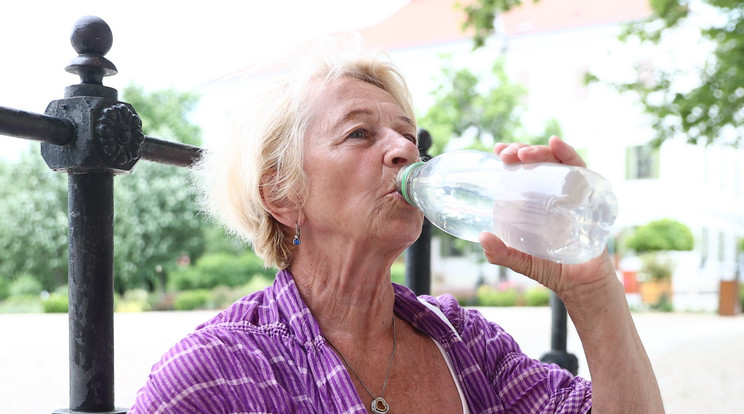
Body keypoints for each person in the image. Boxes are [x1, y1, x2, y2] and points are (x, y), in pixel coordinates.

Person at [130, 37, 664, 413]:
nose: (405, 150)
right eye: (360, 134)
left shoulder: (466, 344)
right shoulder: (215, 375)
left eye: (407, 135)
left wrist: (592, 291)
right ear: (282, 194)